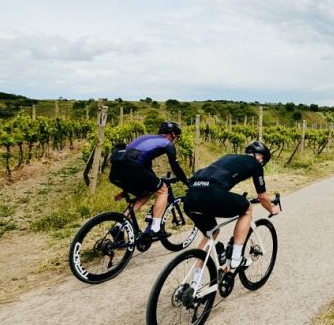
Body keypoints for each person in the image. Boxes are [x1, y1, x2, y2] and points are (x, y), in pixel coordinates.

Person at [183, 141, 280, 285]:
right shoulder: (255, 163)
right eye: (263, 160)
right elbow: (262, 197)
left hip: (190, 197)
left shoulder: (228, 157)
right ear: (259, 157)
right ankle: (236, 259)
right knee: (246, 208)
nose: (262, 163)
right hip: (212, 194)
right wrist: (272, 208)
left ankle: (194, 283)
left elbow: (215, 178)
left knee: (211, 233)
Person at [108, 121, 189, 238]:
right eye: (177, 136)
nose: (176, 139)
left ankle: (118, 227)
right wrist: (186, 182)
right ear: (172, 134)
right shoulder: (167, 144)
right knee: (163, 190)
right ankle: (155, 229)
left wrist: (155, 180)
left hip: (116, 169)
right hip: (133, 167)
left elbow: (145, 165)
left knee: (145, 194)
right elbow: (175, 167)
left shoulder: (146, 138)